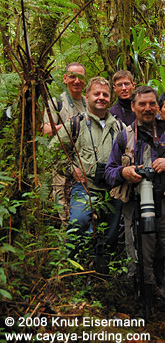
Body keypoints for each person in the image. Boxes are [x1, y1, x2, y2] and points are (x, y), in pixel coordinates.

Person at [104, 85, 165, 327]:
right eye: (141, 104)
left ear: (157, 106)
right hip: (136, 204)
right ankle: (144, 306)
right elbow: (109, 172)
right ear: (133, 107)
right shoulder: (124, 136)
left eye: (151, 104)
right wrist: (125, 171)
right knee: (139, 256)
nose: (147, 108)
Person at [50, 77, 124, 274]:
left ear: (110, 98)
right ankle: (70, 273)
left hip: (112, 190)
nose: (101, 98)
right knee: (78, 224)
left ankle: (101, 276)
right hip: (85, 186)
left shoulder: (119, 127)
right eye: (96, 94)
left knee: (109, 236)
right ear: (88, 96)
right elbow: (52, 151)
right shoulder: (76, 123)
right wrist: (71, 169)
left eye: (105, 94)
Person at [43, 62, 87, 225]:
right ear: (65, 78)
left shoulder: (88, 103)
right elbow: (46, 130)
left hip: (84, 162)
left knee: (84, 208)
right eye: (72, 77)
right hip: (61, 161)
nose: (76, 81)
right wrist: (68, 125)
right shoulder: (56, 103)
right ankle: (65, 245)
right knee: (63, 207)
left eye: (80, 77)